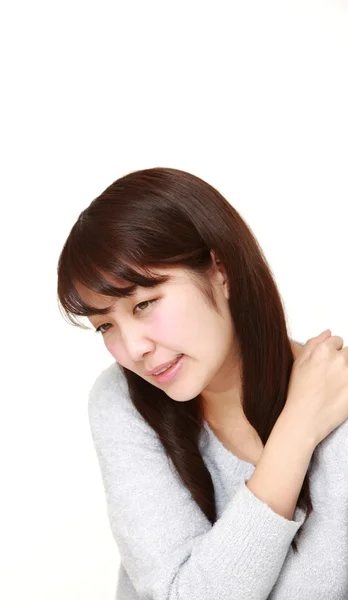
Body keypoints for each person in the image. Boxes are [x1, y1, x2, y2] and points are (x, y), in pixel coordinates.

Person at [56, 167, 348, 599]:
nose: (133, 348)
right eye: (105, 326)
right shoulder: (124, 400)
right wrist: (296, 432)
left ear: (221, 269)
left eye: (143, 304)